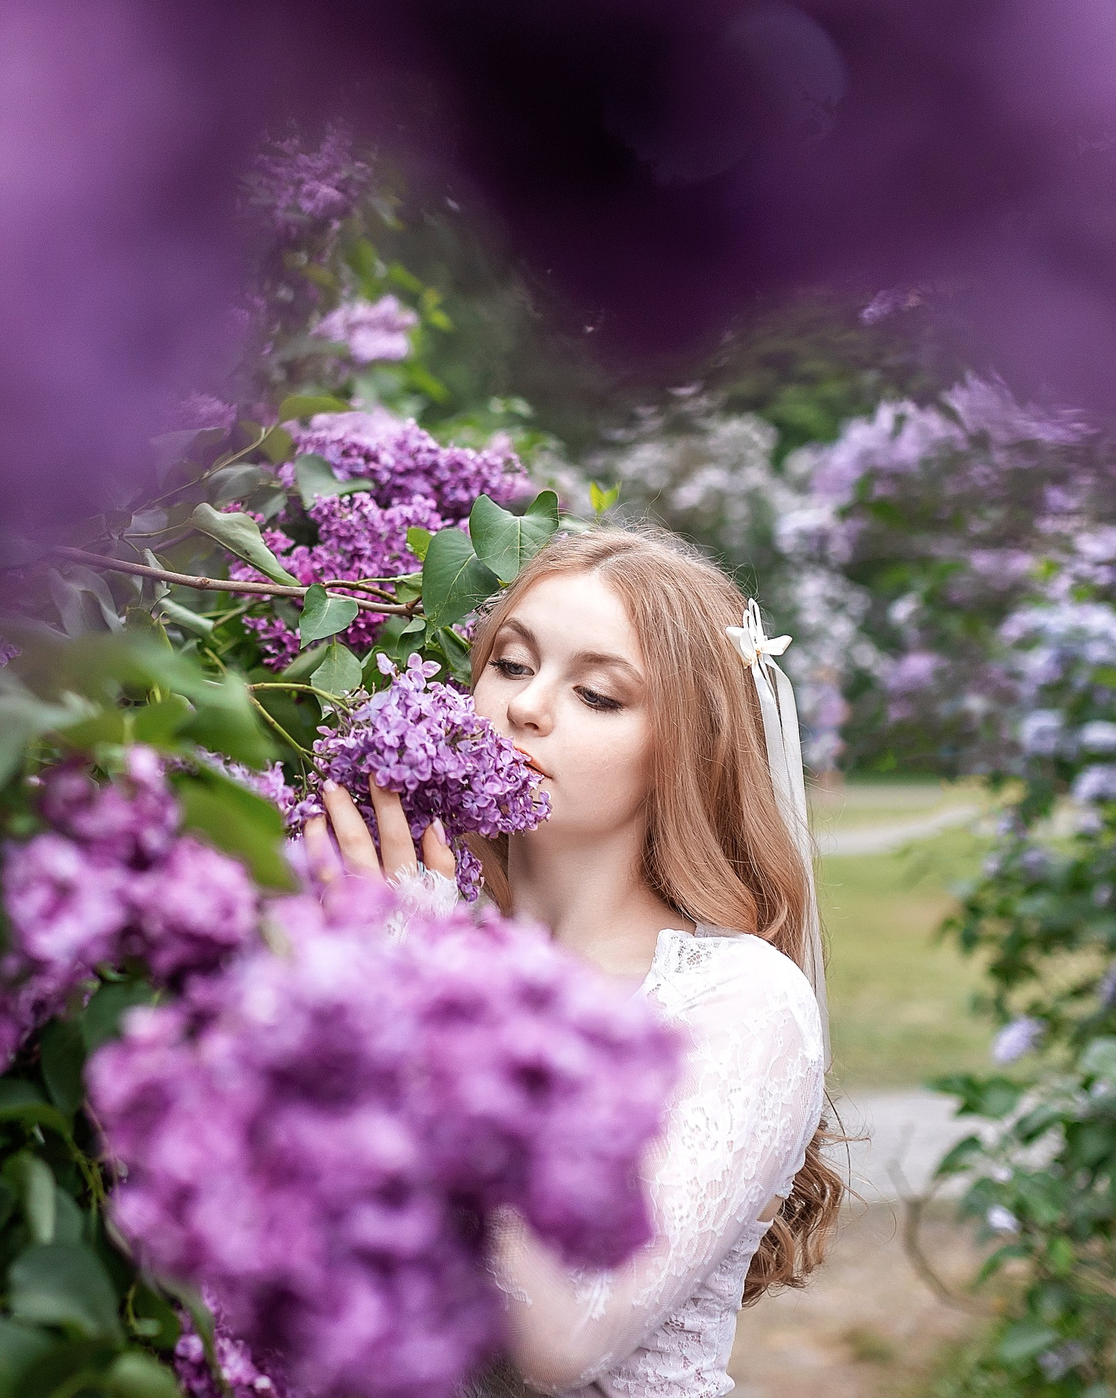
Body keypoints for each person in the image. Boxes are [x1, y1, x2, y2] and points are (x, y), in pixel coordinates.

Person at [303, 525, 840, 1398]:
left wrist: (427, 1008)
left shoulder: (740, 1002)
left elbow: (559, 1336)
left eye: (596, 693)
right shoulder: (417, 937)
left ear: (684, 747)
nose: (526, 706)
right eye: (511, 665)